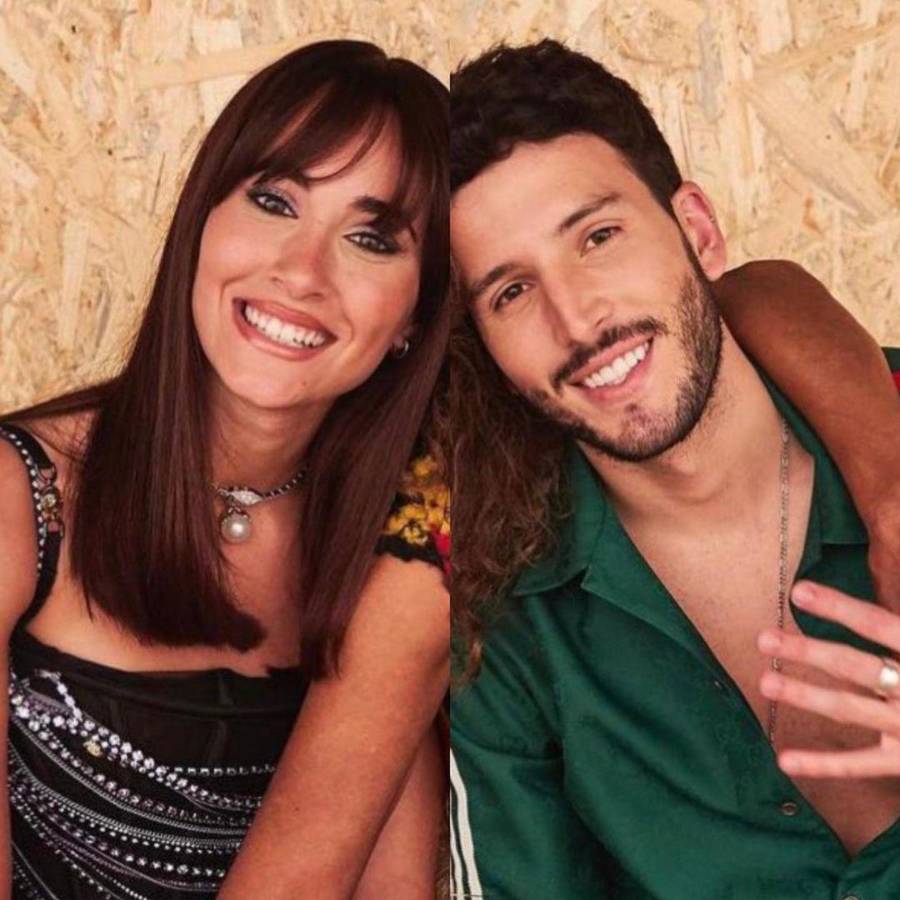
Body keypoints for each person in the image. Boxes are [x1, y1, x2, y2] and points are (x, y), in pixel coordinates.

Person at [448, 40, 900, 899]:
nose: (578, 319)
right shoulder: (509, 630)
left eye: (598, 237)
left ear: (698, 230)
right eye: (511, 292)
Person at [0, 40, 448, 899]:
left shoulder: (396, 555)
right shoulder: (24, 494)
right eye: (275, 201)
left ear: (414, 320)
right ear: (200, 220)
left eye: (370, 238)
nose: (302, 272)